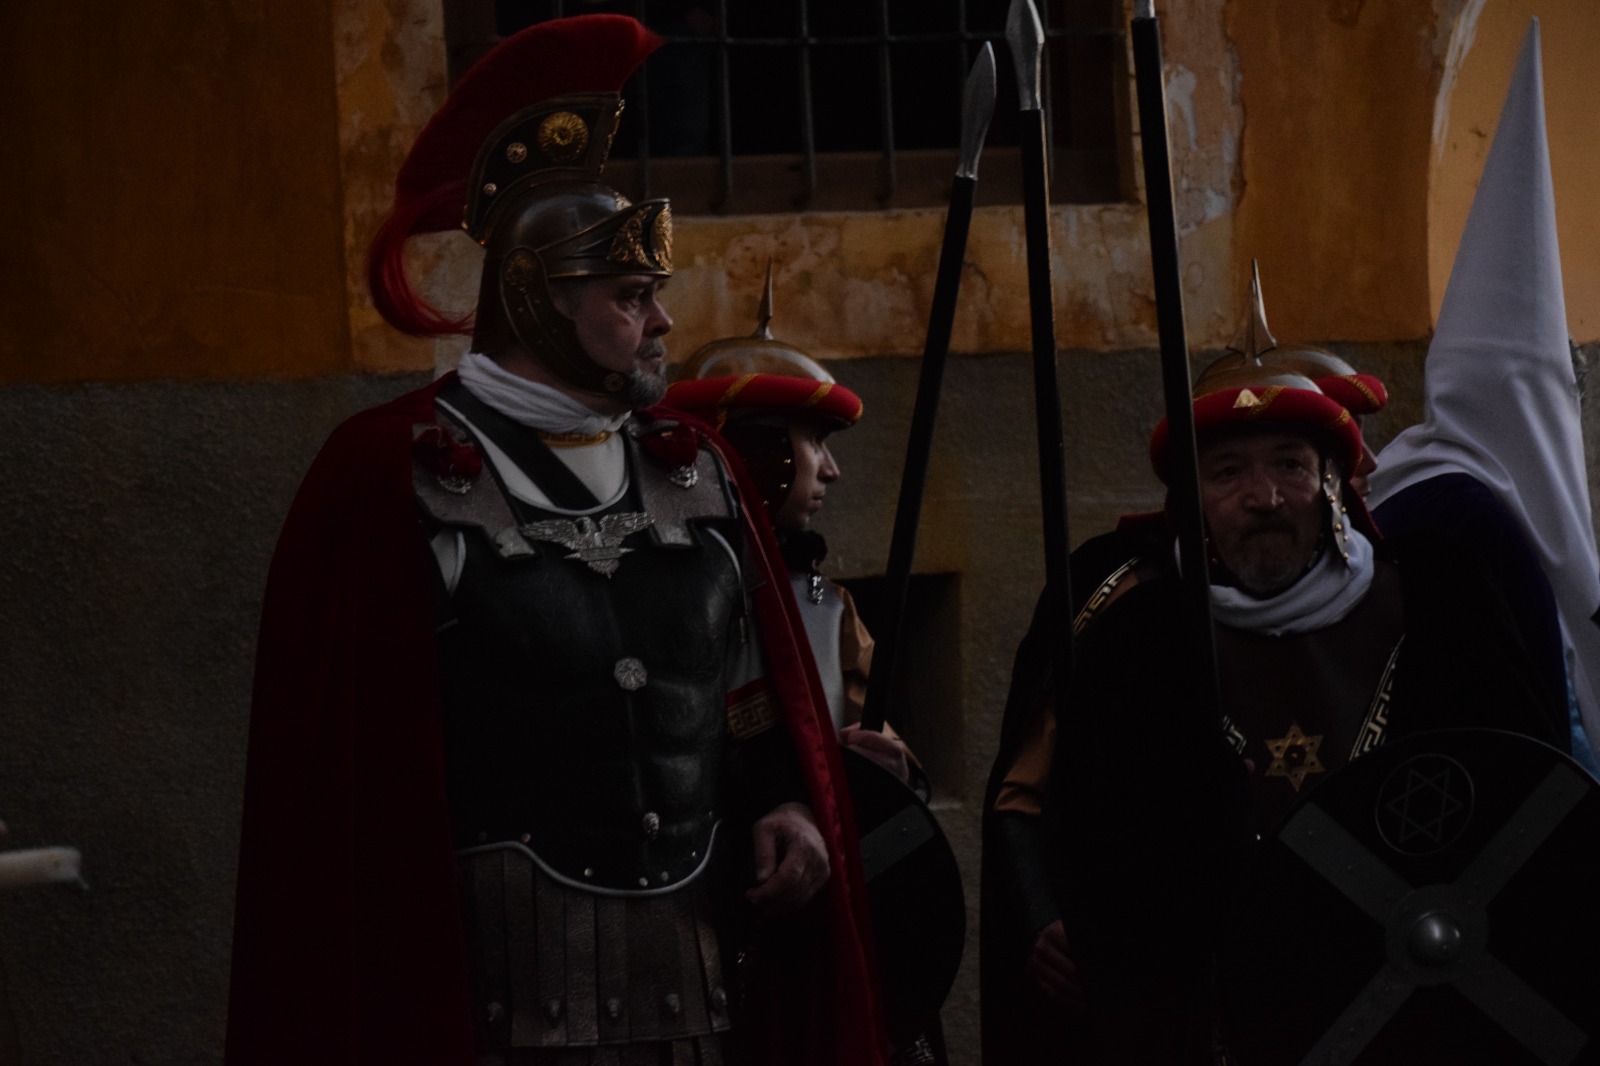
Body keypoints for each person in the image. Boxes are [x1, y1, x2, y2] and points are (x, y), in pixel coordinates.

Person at [224, 16, 887, 1066]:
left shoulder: (697, 469)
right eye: (632, 297)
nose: (661, 324)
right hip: (493, 1009)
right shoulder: (388, 475)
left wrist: (789, 806)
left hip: (704, 1000)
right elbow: (346, 793)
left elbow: (750, 696)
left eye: (653, 297)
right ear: (536, 300)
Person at [985, 349, 1561, 1064]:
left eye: (1290, 465)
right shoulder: (1137, 646)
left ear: (1332, 481)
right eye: (1228, 473)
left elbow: (1532, 816)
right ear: (1192, 499)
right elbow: (1098, 864)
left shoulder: (1438, 608)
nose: (1264, 497)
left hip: (1420, 1010)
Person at [663, 279, 919, 791]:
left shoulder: (828, 607)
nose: (831, 470)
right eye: (816, 442)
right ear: (760, 450)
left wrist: (890, 768)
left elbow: (875, 749)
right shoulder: (664, 591)